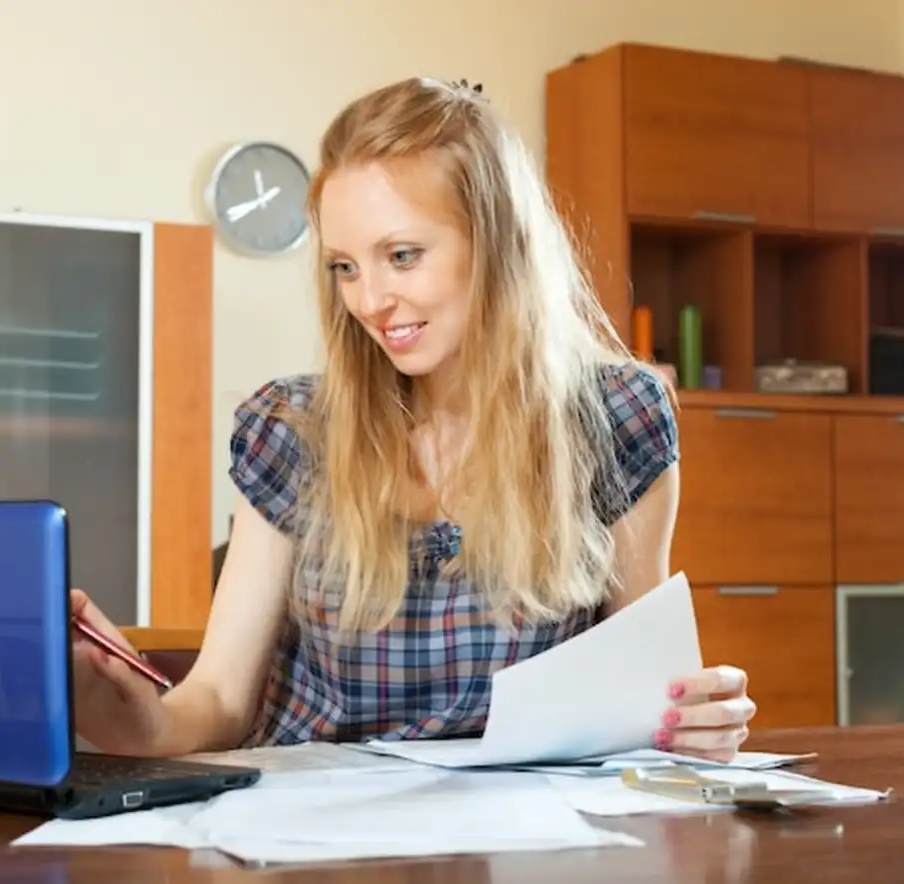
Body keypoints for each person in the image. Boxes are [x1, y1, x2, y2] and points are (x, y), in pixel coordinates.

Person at [70, 76, 757, 764]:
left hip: (522, 838)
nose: (369, 301)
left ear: (498, 243)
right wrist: (134, 719)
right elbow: (217, 703)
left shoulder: (615, 419)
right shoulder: (293, 430)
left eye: (402, 256)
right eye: (344, 266)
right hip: (309, 836)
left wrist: (691, 723)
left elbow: (638, 696)